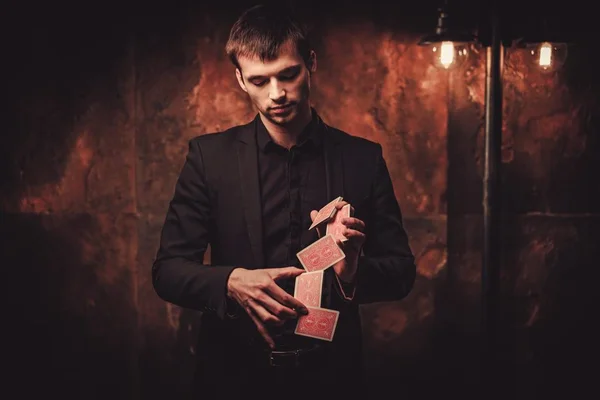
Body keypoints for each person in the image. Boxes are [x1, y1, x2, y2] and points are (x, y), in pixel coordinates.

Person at [152, 3, 416, 399]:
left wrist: (351, 273)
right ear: (240, 79)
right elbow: (167, 270)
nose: (276, 94)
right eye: (259, 81)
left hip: (332, 379)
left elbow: (401, 273)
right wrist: (230, 281)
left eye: (288, 75)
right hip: (230, 378)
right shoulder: (209, 158)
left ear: (310, 62)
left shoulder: (364, 159)